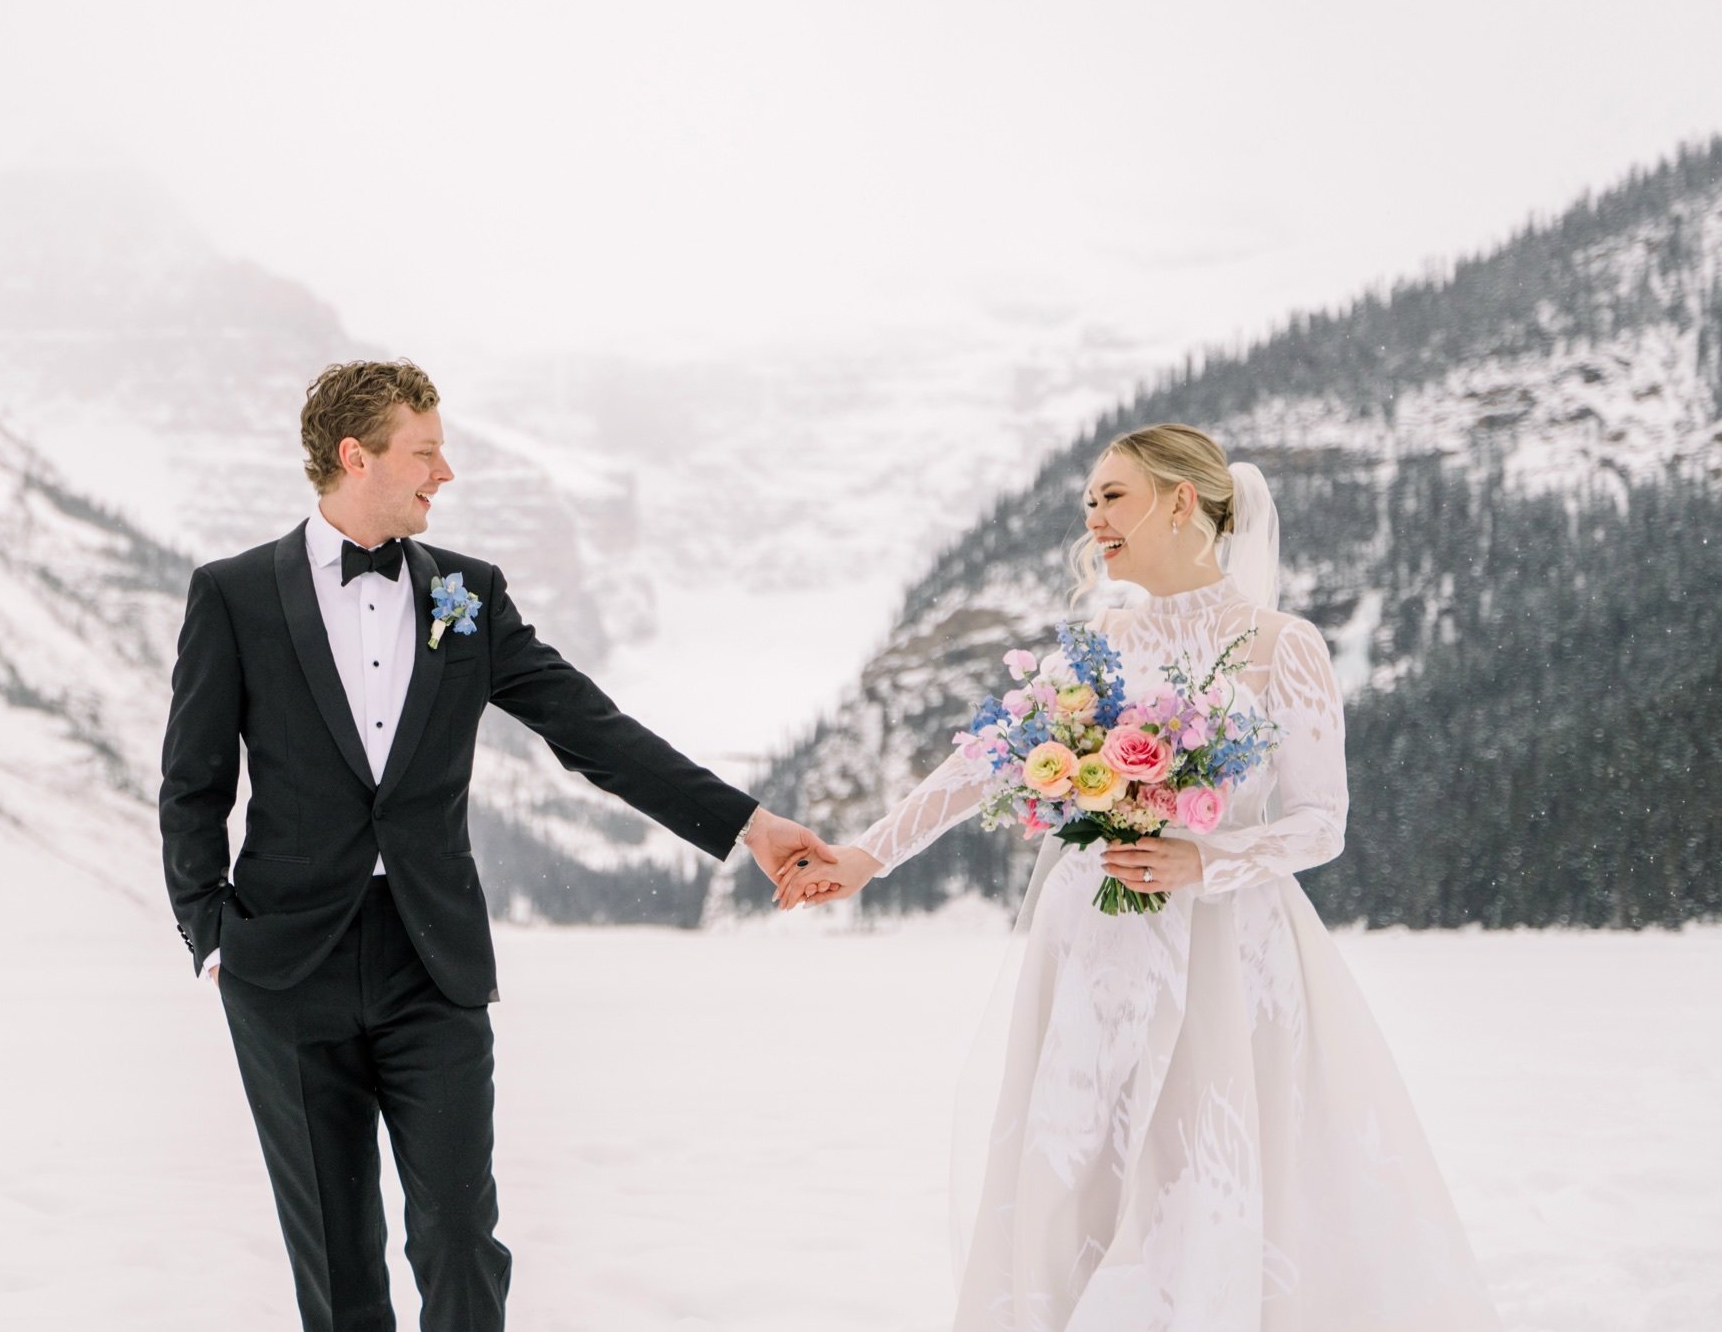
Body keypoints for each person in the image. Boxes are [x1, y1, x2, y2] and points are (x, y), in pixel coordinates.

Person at [776, 423, 1501, 1330]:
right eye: (1089, 500)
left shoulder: (1284, 644)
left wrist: (1206, 857)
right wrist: (866, 856)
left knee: (1200, 1170)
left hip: (1228, 953)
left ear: (1182, 501)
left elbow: (1321, 825)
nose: (1093, 516)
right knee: (1078, 1177)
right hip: (1093, 950)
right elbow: (984, 765)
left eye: (1112, 495)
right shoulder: (1099, 643)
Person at [159, 358, 830, 1332]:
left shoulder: (468, 595)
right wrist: (211, 933)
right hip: (284, 967)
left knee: (459, 1235)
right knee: (339, 1261)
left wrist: (751, 826)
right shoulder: (234, 595)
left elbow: (590, 730)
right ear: (357, 455)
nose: (446, 473)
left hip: (429, 961)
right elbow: (192, 782)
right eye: (426, 452)